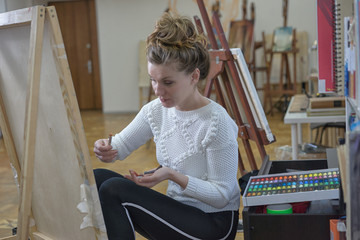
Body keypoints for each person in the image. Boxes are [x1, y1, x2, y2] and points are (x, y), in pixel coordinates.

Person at [93, 13, 240, 240]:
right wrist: (105, 147)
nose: (158, 91)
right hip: (181, 211)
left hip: (215, 223)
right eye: (153, 80)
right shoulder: (155, 110)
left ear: (193, 76)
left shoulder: (216, 122)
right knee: (97, 178)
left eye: (168, 82)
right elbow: (118, 148)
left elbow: (222, 195)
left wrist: (171, 175)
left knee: (113, 189)